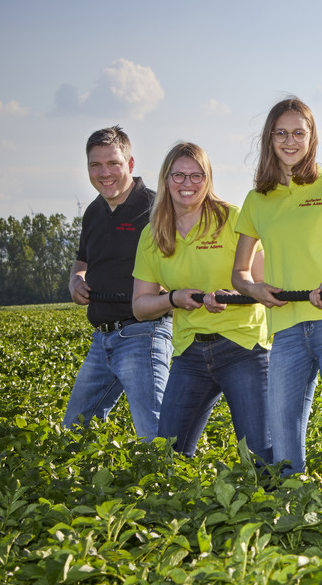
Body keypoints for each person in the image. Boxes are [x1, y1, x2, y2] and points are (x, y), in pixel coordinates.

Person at [232, 98, 322, 477]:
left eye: (299, 133)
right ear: (270, 139)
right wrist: (255, 291)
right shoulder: (257, 200)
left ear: (312, 137)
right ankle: (293, 508)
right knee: (283, 430)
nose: (290, 141)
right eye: (281, 134)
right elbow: (239, 272)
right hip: (284, 327)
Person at [132, 142, 273, 463]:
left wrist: (232, 298)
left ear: (208, 179)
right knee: (169, 455)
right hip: (189, 351)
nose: (187, 184)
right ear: (165, 180)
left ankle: (274, 509)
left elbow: (264, 286)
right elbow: (140, 306)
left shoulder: (233, 219)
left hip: (243, 346)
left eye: (197, 176)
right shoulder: (153, 235)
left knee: (262, 455)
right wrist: (173, 298)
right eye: (179, 175)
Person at [64, 125, 171, 439]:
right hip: (102, 340)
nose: (104, 172)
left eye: (112, 163)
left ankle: (171, 485)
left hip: (143, 333)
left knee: (154, 433)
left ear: (131, 164)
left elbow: (179, 261)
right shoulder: (94, 212)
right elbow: (82, 260)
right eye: (95, 165)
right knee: (74, 430)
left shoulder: (155, 208)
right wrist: (75, 279)